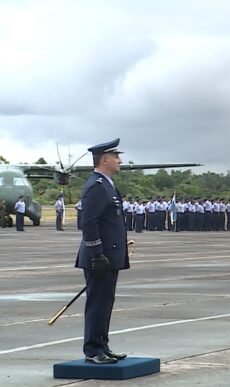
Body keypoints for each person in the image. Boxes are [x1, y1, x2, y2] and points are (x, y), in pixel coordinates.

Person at [75, 138, 130, 364]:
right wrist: (97, 254)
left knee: (105, 302)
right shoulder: (96, 186)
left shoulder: (106, 184)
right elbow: (89, 223)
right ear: (105, 159)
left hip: (109, 256)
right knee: (97, 303)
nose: (120, 160)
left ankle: (102, 346)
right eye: (116, 156)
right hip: (100, 257)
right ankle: (93, 349)